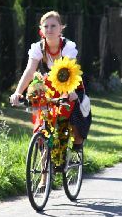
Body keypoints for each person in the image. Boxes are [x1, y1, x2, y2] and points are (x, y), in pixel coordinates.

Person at [9, 11, 91, 145]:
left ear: (61, 28)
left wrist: (70, 92)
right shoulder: (38, 48)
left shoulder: (68, 47)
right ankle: (43, 158)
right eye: (46, 26)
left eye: (53, 26)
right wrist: (18, 92)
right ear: (41, 29)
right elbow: (29, 71)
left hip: (69, 84)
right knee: (42, 122)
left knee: (74, 113)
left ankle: (77, 146)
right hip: (48, 87)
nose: (49, 29)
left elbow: (70, 70)